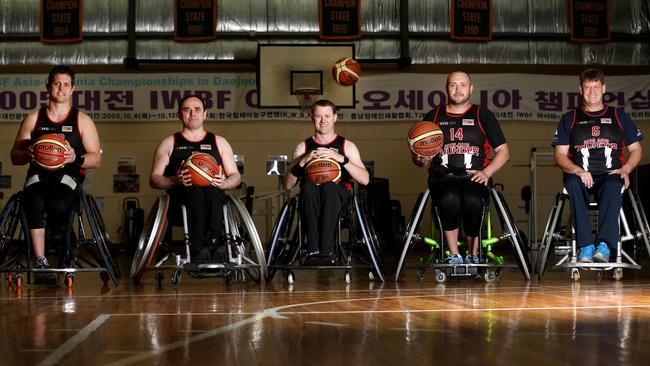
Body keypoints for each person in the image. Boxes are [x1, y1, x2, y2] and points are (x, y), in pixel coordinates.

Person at [11, 65, 102, 270]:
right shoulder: (34, 118)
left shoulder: (82, 120)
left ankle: (66, 242)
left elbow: (96, 159)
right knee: (32, 199)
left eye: (66, 84)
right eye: (57, 83)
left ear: (72, 89)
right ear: (48, 87)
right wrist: (26, 154)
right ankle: (40, 259)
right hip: (38, 175)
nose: (61, 88)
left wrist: (74, 158)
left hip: (68, 175)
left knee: (57, 202)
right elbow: (14, 156)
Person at [415, 71, 510, 265]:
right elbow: (419, 160)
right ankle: (454, 254)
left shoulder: (482, 114)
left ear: (471, 88)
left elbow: (503, 152)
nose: (458, 89)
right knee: (449, 199)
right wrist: (422, 158)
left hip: (475, 174)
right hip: (443, 176)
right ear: (446, 88)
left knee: (473, 200)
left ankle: (474, 254)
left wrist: (487, 172)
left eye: (463, 85)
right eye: (453, 85)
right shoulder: (433, 116)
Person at [552, 68, 643, 263]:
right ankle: (585, 246)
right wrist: (577, 170)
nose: (591, 91)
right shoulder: (570, 118)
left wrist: (626, 169)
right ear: (580, 89)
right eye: (587, 87)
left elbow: (636, 149)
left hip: (610, 174)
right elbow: (559, 156)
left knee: (613, 184)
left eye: (596, 87)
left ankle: (604, 246)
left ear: (604, 88)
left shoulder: (619, 116)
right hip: (580, 175)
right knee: (573, 184)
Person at [150, 95, 241, 262]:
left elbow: (236, 176)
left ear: (205, 114)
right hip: (181, 201)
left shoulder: (219, 142)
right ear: (179, 115)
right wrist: (174, 180)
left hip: (213, 197)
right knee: (196, 192)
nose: (193, 113)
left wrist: (226, 182)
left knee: (215, 191)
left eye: (197, 109)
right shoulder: (170, 143)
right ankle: (198, 248)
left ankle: (215, 244)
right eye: (187, 110)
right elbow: (154, 178)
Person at [285, 99, 369, 265]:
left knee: (329, 187)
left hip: (337, 194)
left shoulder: (347, 146)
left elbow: (365, 179)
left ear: (335, 118)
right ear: (312, 118)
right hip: (310, 196)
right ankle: (313, 249)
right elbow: (287, 185)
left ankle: (327, 250)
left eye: (327, 116)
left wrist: (341, 159)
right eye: (318, 116)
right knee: (308, 187)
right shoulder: (302, 147)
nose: (323, 120)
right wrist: (303, 160)